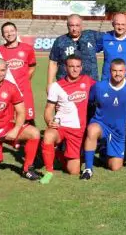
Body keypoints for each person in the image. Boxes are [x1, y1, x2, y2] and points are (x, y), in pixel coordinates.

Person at [80, 59, 126, 180]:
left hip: (117, 131)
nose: (117, 73)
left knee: (115, 167)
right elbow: (88, 102)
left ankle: (104, 150)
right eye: (114, 70)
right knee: (92, 129)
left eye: (120, 71)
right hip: (101, 124)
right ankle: (88, 169)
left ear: (125, 72)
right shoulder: (99, 86)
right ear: (110, 71)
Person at [40, 55, 98, 184]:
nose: (75, 69)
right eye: (71, 66)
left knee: (74, 171)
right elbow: (49, 108)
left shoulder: (87, 80)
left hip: (77, 130)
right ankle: (49, 172)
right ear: (65, 68)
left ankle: (58, 154)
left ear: (81, 67)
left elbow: (104, 87)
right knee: (48, 136)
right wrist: (49, 121)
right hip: (60, 126)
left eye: (77, 66)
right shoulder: (56, 86)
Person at [0, 21, 37, 124]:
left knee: (28, 121)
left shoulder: (27, 48)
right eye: (6, 32)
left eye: (12, 31)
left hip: (24, 92)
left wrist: (24, 81)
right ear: (3, 35)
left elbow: (32, 67)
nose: (9, 34)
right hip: (7, 93)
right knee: (9, 122)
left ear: (16, 31)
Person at [47, 14, 103, 84]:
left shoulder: (92, 36)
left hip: (90, 84)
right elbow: (53, 63)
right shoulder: (60, 41)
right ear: (67, 26)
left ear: (82, 26)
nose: (74, 29)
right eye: (71, 25)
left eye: (77, 25)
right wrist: (49, 84)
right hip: (66, 84)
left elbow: (111, 38)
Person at [100, 12, 126, 81]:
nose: (120, 27)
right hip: (107, 81)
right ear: (113, 24)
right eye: (117, 24)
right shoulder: (104, 38)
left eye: (123, 24)